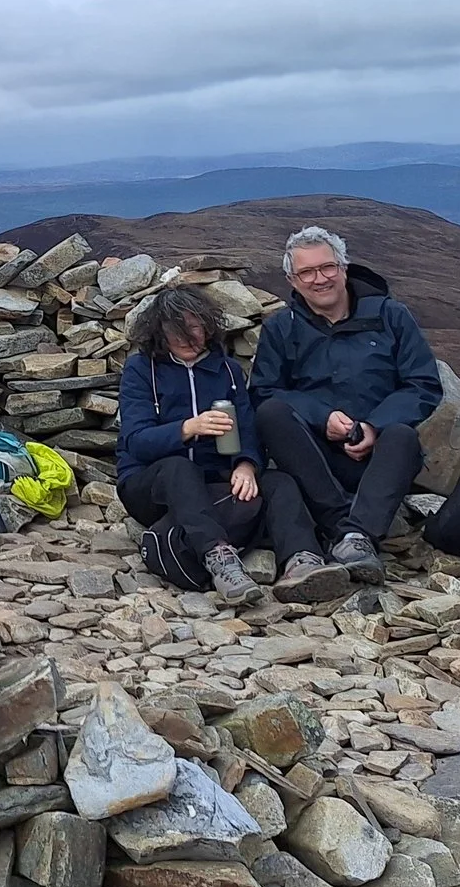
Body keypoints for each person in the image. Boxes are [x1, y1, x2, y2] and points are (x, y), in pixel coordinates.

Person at [116, 284, 345, 607]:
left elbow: (248, 429)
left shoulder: (227, 370)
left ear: (208, 327)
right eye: (176, 328)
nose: (187, 337)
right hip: (150, 486)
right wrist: (188, 428)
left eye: (195, 326)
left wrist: (247, 465)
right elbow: (136, 442)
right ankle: (220, 561)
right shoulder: (142, 370)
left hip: (212, 482)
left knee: (278, 482)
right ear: (159, 330)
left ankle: (303, 562)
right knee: (178, 468)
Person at [250, 225, 440, 582]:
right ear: (292, 281)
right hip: (313, 458)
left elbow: (423, 384)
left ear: (344, 268)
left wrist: (373, 426)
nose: (319, 279)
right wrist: (322, 418)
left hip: (380, 457)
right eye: (307, 272)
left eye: (327, 267)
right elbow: (264, 392)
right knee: (270, 413)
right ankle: (349, 534)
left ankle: (355, 535)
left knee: (403, 436)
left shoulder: (390, 316)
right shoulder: (282, 328)